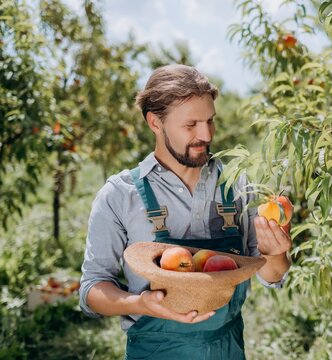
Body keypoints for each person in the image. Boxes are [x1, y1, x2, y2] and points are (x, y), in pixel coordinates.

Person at [80, 64, 292, 359]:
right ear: (155, 123)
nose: (205, 134)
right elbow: (92, 289)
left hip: (227, 349)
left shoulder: (238, 185)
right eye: (191, 125)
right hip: (155, 352)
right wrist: (139, 303)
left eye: (210, 121)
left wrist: (276, 254)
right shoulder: (119, 195)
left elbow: (272, 275)